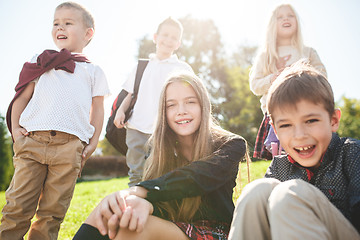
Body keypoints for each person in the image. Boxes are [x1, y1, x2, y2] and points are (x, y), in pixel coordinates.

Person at [73, 73, 249, 240]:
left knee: (133, 226)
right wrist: (132, 201)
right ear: (163, 112)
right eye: (171, 105)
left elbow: (198, 177)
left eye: (190, 102)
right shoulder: (158, 150)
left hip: (215, 231)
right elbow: (164, 203)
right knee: (111, 208)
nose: (181, 111)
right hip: (173, 225)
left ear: (204, 105)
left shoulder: (231, 144)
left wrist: (141, 192)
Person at [0, 2, 110, 239]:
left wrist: (92, 143)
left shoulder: (94, 71)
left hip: (70, 147)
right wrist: (16, 129)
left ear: (88, 33)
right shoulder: (41, 60)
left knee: (52, 212)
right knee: (18, 206)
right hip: (32, 141)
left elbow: (98, 110)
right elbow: (23, 94)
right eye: (56, 23)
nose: (60, 27)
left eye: (68, 23)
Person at [228, 60, 360, 240]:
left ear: (333, 121)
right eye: (287, 125)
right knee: (257, 191)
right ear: (274, 130)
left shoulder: (351, 154)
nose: (299, 135)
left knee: (289, 192)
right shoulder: (279, 166)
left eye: (311, 121)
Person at [114, 17, 193, 187]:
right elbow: (131, 93)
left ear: (178, 43)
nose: (169, 40)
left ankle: (158, 206)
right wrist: (120, 111)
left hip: (165, 129)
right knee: (136, 172)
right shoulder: (142, 66)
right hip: (136, 127)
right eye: (165, 35)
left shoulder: (182, 68)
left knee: (161, 170)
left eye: (174, 37)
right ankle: (134, 206)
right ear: (156, 37)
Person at [250, 3, 327, 160]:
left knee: (310, 154)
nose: (286, 19)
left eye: (290, 15)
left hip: (306, 111)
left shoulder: (308, 52)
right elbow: (255, 85)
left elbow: (323, 77)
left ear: (297, 21)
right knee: (281, 160)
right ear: (273, 24)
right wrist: (272, 79)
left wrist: (302, 76)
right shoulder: (266, 56)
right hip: (277, 114)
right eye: (280, 17)